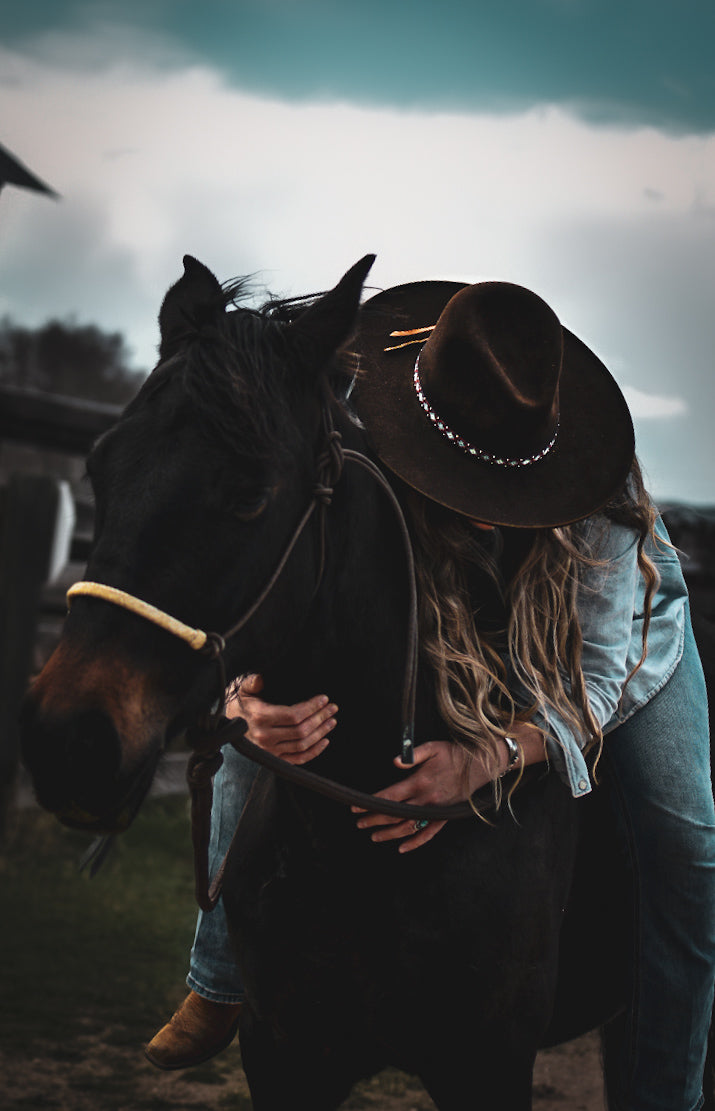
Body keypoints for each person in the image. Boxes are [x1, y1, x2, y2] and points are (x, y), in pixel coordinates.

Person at [145, 278, 715, 1111]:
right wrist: (246, 701)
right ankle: (220, 976)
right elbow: (283, 580)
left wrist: (491, 753)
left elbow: (603, 671)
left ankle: (669, 1089)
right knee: (258, 744)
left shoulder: (601, 514)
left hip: (615, 640)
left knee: (689, 839)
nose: (486, 517)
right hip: (451, 600)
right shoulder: (361, 439)